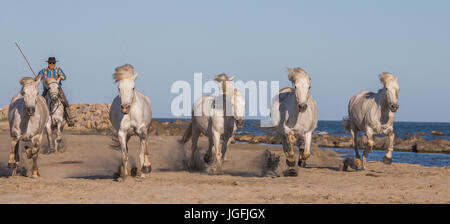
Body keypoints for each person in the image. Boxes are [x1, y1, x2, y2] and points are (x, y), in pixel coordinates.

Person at [36, 57, 75, 127]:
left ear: (55, 63)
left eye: (53, 63)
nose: (51, 64)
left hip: (57, 89)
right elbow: (37, 78)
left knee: (65, 101)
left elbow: (64, 77)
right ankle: (38, 119)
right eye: (50, 63)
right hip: (47, 89)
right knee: (39, 103)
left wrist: (59, 77)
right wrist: (36, 78)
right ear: (48, 63)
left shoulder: (58, 70)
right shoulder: (43, 71)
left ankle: (69, 117)